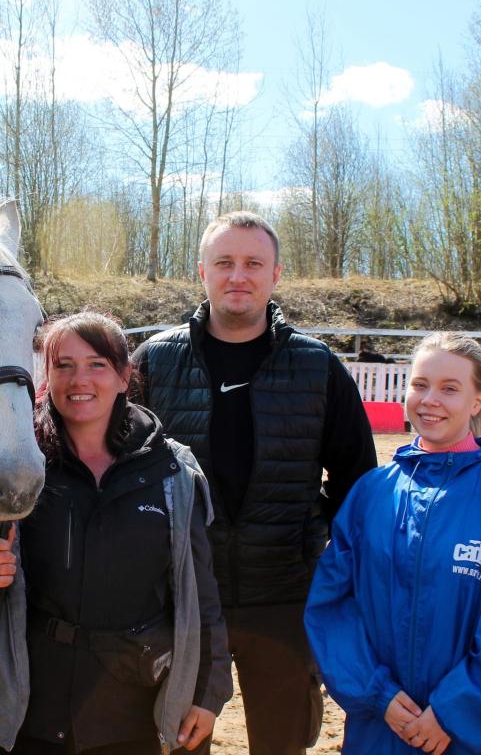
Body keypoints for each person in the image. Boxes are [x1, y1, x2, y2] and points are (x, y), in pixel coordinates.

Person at [131, 211, 377, 755]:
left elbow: (358, 482)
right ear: (202, 272)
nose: (237, 275)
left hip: (283, 595)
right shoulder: (153, 361)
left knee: (283, 744)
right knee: (179, 742)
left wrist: (313, 549)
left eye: (252, 263)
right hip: (184, 598)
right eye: (224, 262)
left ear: (275, 274)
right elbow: (124, 470)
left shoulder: (317, 367)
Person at [0, 311, 232, 755]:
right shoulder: (21, 469)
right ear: (46, 377)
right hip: (33, 713)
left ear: (123, 377)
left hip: (136, 714)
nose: (80, 379)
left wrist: (208, 693)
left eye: (97, 364)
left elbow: (201, 595)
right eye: (63, 365)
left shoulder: (173, 472)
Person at [304, 332, 481, 754]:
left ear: (477, 401)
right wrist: (378, 694)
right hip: (384, 731)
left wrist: (455, 712)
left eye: (450, 389)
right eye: (420, 385)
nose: (431, 400)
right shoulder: (372, 494)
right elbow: (333, 605)